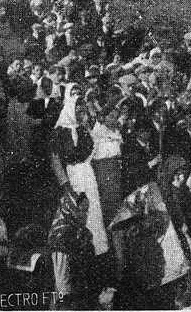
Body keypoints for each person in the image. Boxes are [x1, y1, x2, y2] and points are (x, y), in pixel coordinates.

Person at [50, 83, 109, 256]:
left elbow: (93, 148)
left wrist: (86, 124)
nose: (80, 114)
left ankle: (98, 249)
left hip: (86, 173)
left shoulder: (83, 131)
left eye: (82, 111)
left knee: (93, 210)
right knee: (77, 212)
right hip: (71, 174)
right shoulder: (59, 132)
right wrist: (66, 186)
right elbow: (56, 161)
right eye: (77, 111)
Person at [48, 190, 101, 309]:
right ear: (71, 209)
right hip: (66, 295)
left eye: (87, 210)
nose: (86, 215)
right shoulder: (60, 237)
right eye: (82, 210)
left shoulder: (82, 232)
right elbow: (62, 286)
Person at [90, 105, 124, 227]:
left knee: (116, 200)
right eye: (110, 116)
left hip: (115, 169)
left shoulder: (117, 132)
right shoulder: (98, 132)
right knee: (107, 201)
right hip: (103, 170)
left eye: (116, 117)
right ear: (103, 117)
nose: (113, 120)